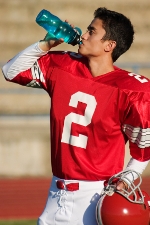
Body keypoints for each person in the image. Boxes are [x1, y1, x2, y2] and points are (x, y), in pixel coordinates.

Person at [2, 7, 150, 225]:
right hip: (55, 194)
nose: (84, 34)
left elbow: (142, 151)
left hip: (96, 198)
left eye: (92, 31)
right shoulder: (63, 66)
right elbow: (10, 71)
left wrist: (126, 180)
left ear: (109, 45)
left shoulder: (131, 90)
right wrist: (46, 45)